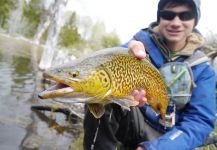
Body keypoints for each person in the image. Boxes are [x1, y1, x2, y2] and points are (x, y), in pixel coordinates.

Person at [83, 0, 216, 150]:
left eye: (185, 15)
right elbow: (102, 67)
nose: (176, 22)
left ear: (195, 19)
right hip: (134, 122)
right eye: (168, 15)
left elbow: (200, 121)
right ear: (159, 17)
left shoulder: (203, 69)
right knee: (101, 95)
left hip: (171, 138)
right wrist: (126, 51)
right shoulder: (138, 45)